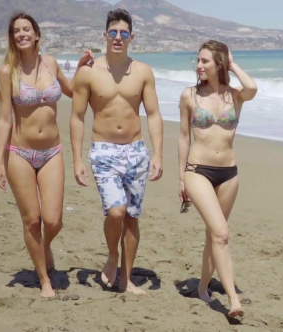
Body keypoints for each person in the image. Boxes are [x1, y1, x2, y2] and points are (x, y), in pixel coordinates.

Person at [0, 12, 92, 299]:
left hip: (51, 152)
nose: (21, 34)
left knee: (53, 221)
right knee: (32, 220)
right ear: (12, 37)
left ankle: (44, 246)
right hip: (20, 154)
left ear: (37, 34)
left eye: (26, 29)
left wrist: (83, 67)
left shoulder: (50, 63)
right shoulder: (6, 71)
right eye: (16, 31)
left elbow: (72, 91)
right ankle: (44, 278)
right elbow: (4, 120)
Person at [70, 8, 164, 295]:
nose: (118, 37)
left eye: (124, 33)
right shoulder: (89, 73)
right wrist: (77, 160)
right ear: (105, 36)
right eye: (113, 32)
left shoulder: (143, 71)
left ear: (131, 37)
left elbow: (154, 114)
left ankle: (127, 278)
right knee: (116, 211)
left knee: (132, 217)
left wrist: (158, 154)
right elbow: (77, 117)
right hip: (104, 152)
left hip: (136, 151)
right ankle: (113, 255)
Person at [178, 40, 257, 318]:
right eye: (198, 61)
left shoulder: (234, 95)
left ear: (219, 64)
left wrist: (233, 65)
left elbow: (253, 88)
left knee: (214, 235)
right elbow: (184, 136)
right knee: (222, 234)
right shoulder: (189, 95)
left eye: (205, 61)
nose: (199, 66)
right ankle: (233, 300)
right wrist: (181, 177)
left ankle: (202, 287)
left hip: (229, 174)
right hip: (198, 171)